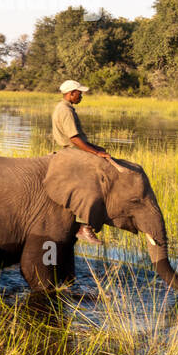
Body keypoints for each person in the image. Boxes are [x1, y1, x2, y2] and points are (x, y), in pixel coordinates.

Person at [52, 79, 109, 244]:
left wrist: (96, 148)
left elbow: (79, 138)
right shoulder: (65, 110)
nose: (81, 96)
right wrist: (95, 152)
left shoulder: (66, 108)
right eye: (79, 93)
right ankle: (85, 226)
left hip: (74, 150)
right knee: (93, 187)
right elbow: (74, 139)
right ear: (71, 94)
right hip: (72, 153)